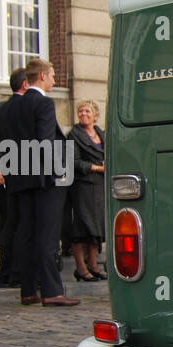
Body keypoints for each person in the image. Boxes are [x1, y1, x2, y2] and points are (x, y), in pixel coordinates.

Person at [1, 57, 80, 307]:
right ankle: (51, 291)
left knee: (26, 233)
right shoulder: (44, 103)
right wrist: (58, 174)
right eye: (53, 75)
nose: (55, 80)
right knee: (47, 235)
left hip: (20, 178)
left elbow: (4, 142)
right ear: (42, 77)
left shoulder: (8, 107)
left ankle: (28, 290)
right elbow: (45, 142)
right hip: (45, 179)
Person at [0, 68, 28, 288]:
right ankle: (10, 270)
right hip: (12, 174)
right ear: (24, 84)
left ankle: (10, 269)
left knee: (10, 223)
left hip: (10, 173)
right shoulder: (8, 107)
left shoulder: (1, 107)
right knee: (13, 223)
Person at [68, 99, 108, 281]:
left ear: (96, 116)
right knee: (82, 227)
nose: (83, 114)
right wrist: (97, 168)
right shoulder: (74, 135)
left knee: (96, 226)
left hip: (99, 186)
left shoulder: (101, 134)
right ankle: (81, 267)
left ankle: (94, 265)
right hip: (83, 185)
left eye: (87, 112)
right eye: (81, 111)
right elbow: (73, 161)